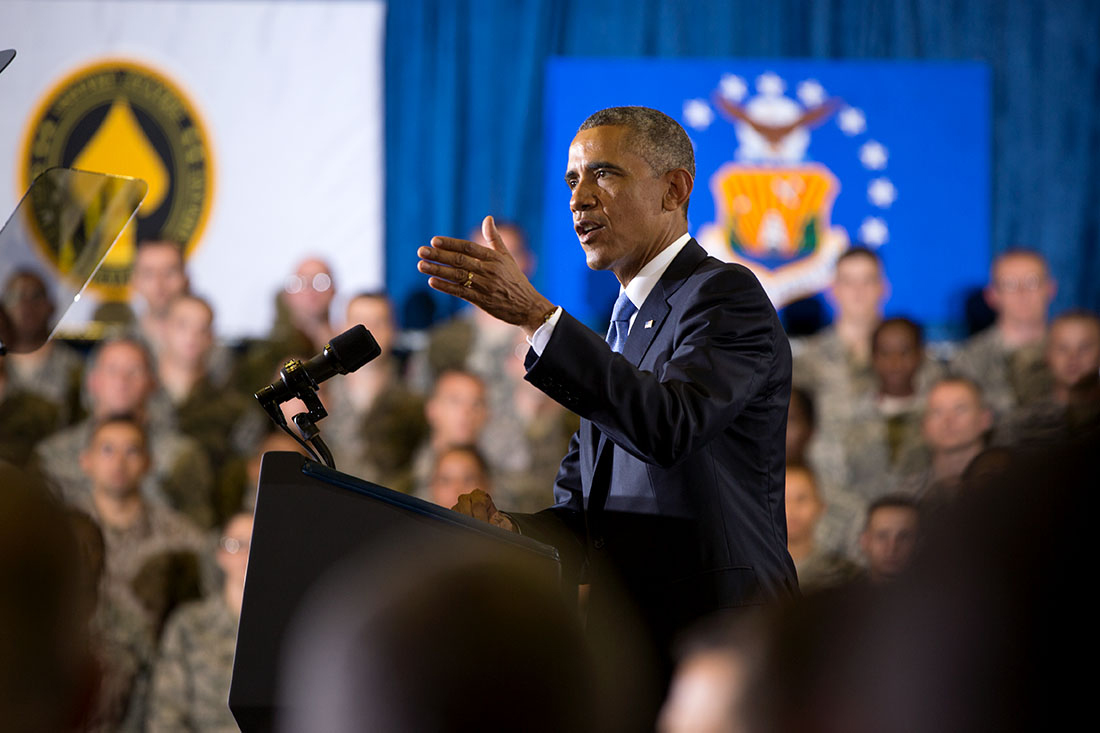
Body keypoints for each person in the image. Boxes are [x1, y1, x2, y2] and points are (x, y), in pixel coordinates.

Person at [417, 106, 798, 680]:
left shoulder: (723, 294)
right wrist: (511, 534)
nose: (579, 198)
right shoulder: (619, 332)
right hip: (633, 648)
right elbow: (589, 522)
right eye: (572, 180)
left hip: (723, 645)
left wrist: (537, 317)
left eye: (604, 174)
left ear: (674, 189)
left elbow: (672, 426)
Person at [32, 337, 216, 527]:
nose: (122, 380)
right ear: (93, 380)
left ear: (152, 382)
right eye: (112, 370)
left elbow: (198, 531)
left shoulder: (182, 456)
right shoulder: (52, 455)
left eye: (134, 371)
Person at [148, 512, 253, 732]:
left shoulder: (289, 629)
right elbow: (165, 717)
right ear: (221, 555)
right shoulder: (189, 625)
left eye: (256, 543)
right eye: (237, 545)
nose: (248, 555)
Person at [322, 292, 427, 489]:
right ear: (340, 329)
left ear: (393, 330)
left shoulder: (414, 397)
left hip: (393, 504)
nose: (369, 334)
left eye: (379, 323)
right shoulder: (320, 391)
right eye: (359, 325)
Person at [950, 249, 1056, 416]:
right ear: (991, 296)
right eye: (1009, 284)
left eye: (1032, 282)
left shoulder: (1078, 352)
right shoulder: (968, 361)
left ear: (1050, 289)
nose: (1022, 293)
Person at [895, 377, 993, 508]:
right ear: (924, 426)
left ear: (985, 419)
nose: (948, 421)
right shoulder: (907, 497)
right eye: (937, 412)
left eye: (960, 409)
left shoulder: (1014, 487)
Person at [784, 464, 861, 592]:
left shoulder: (843, 574)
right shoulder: (747, 573)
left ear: (821, 506)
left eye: (801, 499)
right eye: (782, 500)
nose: (792, 510)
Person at [858, 494, 920, 583]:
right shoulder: (837, 595)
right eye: (882, 536)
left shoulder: (935, 593)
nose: (892, 548)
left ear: (917, 543)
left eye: (903, 537)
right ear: (865, 541)